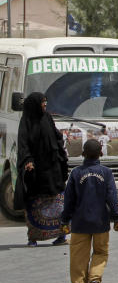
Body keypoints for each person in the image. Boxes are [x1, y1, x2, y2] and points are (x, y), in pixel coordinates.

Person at [61, 139, 118, 283]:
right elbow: (111, 196)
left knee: (78, 258)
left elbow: (69, 200)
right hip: (100, 223)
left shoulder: (75, 173)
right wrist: (117, 217)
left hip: (79, 224)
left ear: (83, 154)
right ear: (101, 153)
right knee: (101, 252)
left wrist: (65, 220)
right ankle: (95, 281)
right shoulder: (106, 172)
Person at [16, 93, 69, 246]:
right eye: (42, 102)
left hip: (53, 170)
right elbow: (23, 144)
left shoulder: (47, 117)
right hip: (36, 172)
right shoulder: (26, 122)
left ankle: (61, 236)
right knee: (34, 203)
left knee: (58, 203)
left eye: (46, 102)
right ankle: (33, 237)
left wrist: (63, 139)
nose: (45, 105)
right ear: (34, 104)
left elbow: (55, 135)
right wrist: (28, 160)